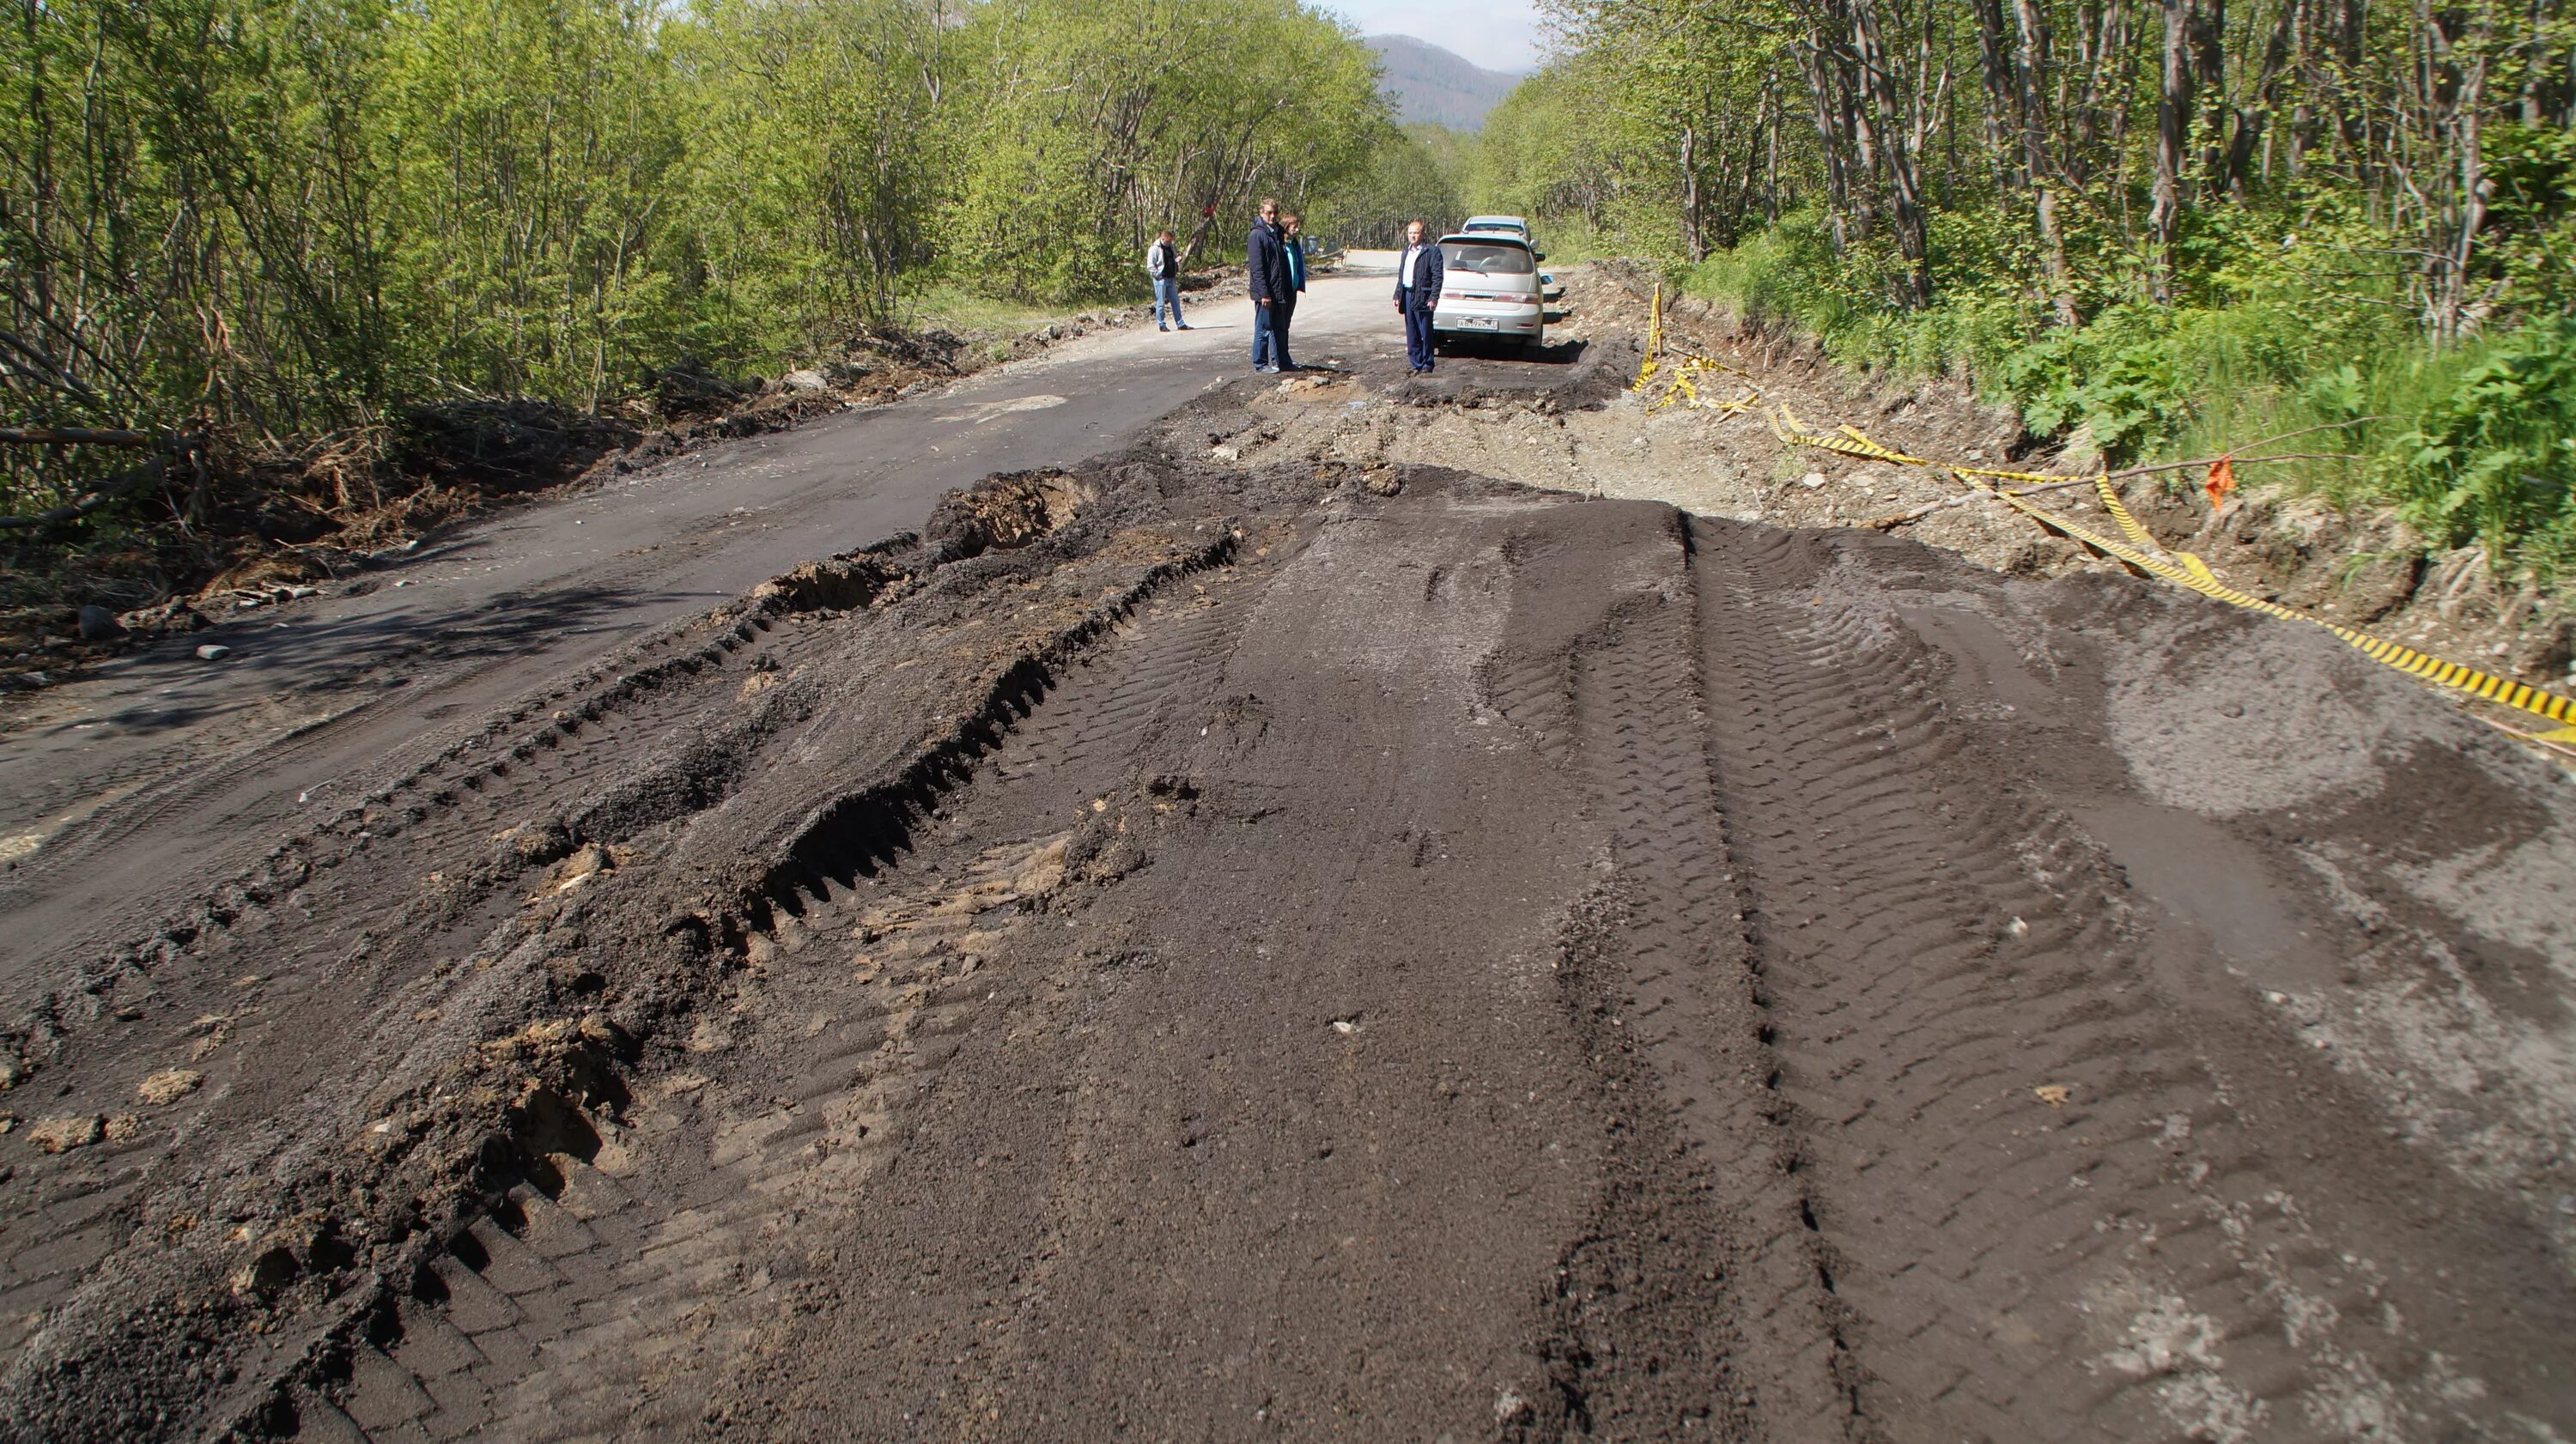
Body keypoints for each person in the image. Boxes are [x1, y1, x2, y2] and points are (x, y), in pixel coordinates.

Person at [1247, 197, 1297, 373]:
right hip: (1265, 293)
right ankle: (1260, 363)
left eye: (1275, 213)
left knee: (1280, 329)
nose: (1272, 216)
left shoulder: (1276, 233)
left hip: (1279, 291)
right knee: (1263, 329)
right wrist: (1264, 294)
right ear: (1261, 213)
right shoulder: (1257, 235)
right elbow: (1257, 268)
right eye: (1269, 212)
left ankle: (1283, 362)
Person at [1394, 219, 1444, 373]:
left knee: (1425, 332)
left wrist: (1434, 297)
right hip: (1408, 294)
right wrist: (1397, 294)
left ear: (1423, 234)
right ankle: (1416, 363)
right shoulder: (1406, 251)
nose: (1413, 236)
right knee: (1412, 332)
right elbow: (1401, 274)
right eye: (1410, 233)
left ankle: (1428, 364)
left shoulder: (1432, 251)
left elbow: (1437, 276)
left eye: (1416, 233)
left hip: (1423, 296)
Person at [1145, 229, 1188, 331]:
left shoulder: (1171, 247)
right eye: (1168, 241)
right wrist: (1158, 275)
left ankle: (1180, 323)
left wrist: (1176, 261)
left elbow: (1170, 259)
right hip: (1160, 279)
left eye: (1171, 241)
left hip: (1170, 278)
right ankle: (1161, 324)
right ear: (1162, 238)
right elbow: (1150, 266)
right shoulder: (1154, 249)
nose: (1169, 243)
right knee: (1161, 303)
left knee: (1175, 301)